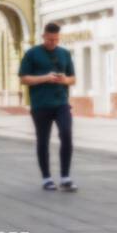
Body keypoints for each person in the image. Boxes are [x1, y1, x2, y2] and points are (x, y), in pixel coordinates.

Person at [19, 22, 77, 192]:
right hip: (40, 104)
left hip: (61, 103)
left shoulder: (65, 53)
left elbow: (73, 78)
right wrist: (45, 78)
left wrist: (64, 80)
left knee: (66, 134)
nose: (53, 43)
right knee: (43, 140)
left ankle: (65, 177)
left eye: (56, 39)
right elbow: (23, 78)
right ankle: (46, 178)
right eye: (50, 39)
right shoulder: (32, 53)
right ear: (43, 36)